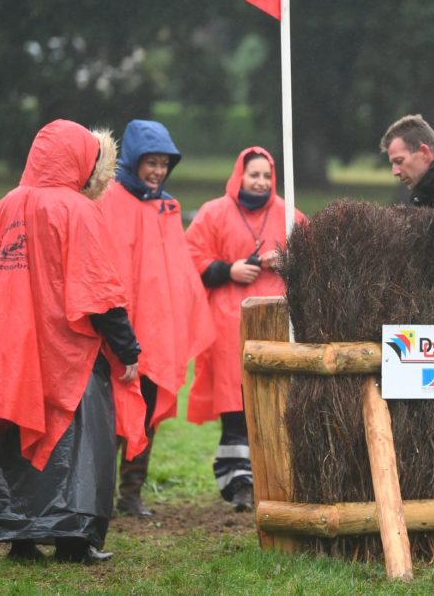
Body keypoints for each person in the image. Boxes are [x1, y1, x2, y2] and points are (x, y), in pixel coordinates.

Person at [0, 119, 149, 564]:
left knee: (15, 431)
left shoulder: (7, 205)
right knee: (78, 442)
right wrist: (127, 349)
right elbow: (100, 290)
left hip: (14, 349)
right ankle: (74, 540)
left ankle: (20, 538)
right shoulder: (77, 209)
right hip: (70, 353)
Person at [97, 120, 214, 518]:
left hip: (156, 330)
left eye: (165, 164)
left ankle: (131, 493)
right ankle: (97, 493)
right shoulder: (108, 199)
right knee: (112, 413)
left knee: (146, 413)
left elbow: (175, 270)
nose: (158, 171)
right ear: (132, 160)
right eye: (151, 162)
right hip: (118, 328)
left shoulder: (167, 207)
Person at [185, 147, 306, 511]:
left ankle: (275, 478)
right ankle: (238, 481)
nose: (261, 181)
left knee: (276, 402)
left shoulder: (290, 215)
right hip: (227, 325)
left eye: (267, 175)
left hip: (277, 320)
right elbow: (190, 257)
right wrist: (228, 269)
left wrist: (284, 260)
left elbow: (312, 257)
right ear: (240, 174)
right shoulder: (212, 213)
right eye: (255, 174)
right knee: (234, 402)